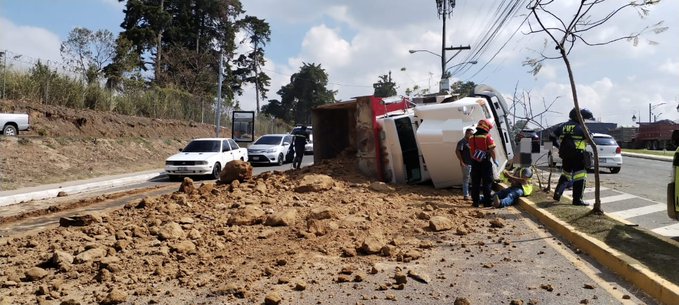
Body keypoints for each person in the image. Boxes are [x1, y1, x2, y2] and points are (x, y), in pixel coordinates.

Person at [550, 107, 594, 206]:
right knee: (580, 177)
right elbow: (590, 139)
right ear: (578, 117)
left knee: (566, 175)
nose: (584, 121)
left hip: (565, 155)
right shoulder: (581, 127)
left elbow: (551, 136)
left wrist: (558, 146)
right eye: (583, 119)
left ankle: (557, 193)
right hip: (578, 156)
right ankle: (577, 200)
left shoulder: (562, 126)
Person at [469, 119, 499, 207]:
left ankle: (475, 202)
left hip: (474, 162)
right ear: (487, 128)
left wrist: (475, 158)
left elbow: (471, 151)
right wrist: (494, 160)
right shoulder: (487, 137)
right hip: (485, 163)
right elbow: (492, 150)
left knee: (475, 183)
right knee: (487, 183)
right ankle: (487, 203)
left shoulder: (471, 137)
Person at [455, 128, 475, 200]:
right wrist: (461, 161)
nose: (472, 135)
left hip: (473, 163)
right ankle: (466, 195)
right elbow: (457, 151)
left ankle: (474, 195)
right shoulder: (462, 142)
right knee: (466, 179)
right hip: (466, 163)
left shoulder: (472, 142)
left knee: (474, 179)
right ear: (466, 133)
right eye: (471, 134)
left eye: (473, 134)